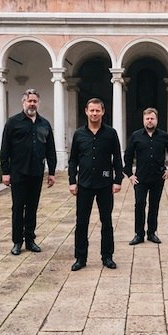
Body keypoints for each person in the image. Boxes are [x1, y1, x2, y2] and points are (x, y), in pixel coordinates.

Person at [68, 98, 124, 271]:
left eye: (97, 110)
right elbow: (73, 160)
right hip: (84, 184)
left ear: (103, 111)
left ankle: (107, 256)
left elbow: (117, 158)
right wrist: (72, 181)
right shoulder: (79, 134)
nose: (94, 113)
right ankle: (80, 258)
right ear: (86, 111)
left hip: (105, 184)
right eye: (91, 110)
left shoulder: (111, 133)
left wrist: (118, 180)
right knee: (81, 222)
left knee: (106, 222)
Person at [0, 88, 57, 256]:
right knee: (18, 207)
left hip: (37, 172)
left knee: (32, 207)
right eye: (29, 101)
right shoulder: (13, 122)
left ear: (38, 103)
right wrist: (5, 172)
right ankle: (17, 241)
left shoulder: (44, 123)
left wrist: (52, 172)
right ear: (23, 102)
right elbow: (5, 149)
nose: (32, 104)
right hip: (18, 171)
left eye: (35, 101)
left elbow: (50, 149)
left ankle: (30, 239)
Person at [124, 108, 168, 245]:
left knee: (154, 206)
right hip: (140, 178)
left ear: (156, 119)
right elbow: (128, 156)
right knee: (139, 205)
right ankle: (139, 234)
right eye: (147, 118)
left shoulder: (164, 136)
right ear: (143, 120)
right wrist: (129, 174)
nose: (149, 121)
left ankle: (152, 233)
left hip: (158, 178)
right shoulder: (136, 136)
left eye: (152, 118)